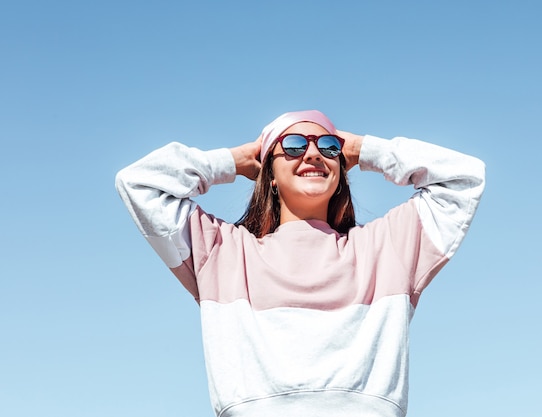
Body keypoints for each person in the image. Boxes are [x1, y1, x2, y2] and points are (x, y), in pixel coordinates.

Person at [115, 110, 486, 417]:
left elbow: (463, 178)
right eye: (292, 147)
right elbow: (138, 183)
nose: (312, 155)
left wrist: (365, 150)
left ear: (342, 168)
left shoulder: (386, 248)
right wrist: (230, 161)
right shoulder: (224, 252)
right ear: (269, 175)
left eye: (328, 147)